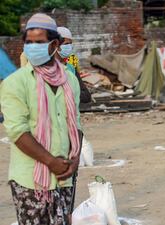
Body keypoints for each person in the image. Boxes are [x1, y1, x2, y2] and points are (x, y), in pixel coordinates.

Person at [0, 13, 82, 225]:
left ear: (54, 44)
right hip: (30, 179)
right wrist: (50, 162)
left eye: (39, 42)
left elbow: (77, 125)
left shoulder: (69, 80)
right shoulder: (14, 83)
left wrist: (74, 160)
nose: (32, 46)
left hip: (64, 177)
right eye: (28, 42)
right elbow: (18, 131)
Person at [56, 26, 91, 104]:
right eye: (66, 44)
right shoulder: (48, 69)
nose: (69, 47)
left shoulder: (71, 67)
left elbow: (86, 96)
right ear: (56, 45)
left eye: (70, 43)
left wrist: (67, 94)